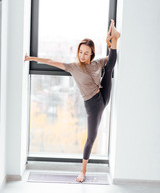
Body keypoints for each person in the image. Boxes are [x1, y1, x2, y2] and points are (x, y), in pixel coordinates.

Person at [24, 19, 120, 183]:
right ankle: (83, 170)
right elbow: (51, 61)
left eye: (86, 53)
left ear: (91, 54)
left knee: (109, 68)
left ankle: (115, 38)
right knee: (91, 137)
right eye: (80, 52)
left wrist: (109, 45)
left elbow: (110, 60)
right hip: (93, 105)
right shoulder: (73, 67)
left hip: (104, 94)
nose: (82, 55)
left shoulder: (97, 63)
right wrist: (31, 58)